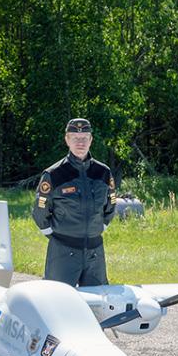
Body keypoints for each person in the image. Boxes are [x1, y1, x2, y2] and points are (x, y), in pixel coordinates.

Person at [31, 117, 117, 287]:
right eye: (75, 138)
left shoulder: (103, 172)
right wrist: (55, 236)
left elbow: (110, 206)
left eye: (85, 137)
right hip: (63, 251)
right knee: (57, 303)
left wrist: (99, 228)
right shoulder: (54, 174)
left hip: (94, 253)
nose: (80, 142)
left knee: (98, 303)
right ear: (67, 140)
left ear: (91, 140)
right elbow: (40, 211)